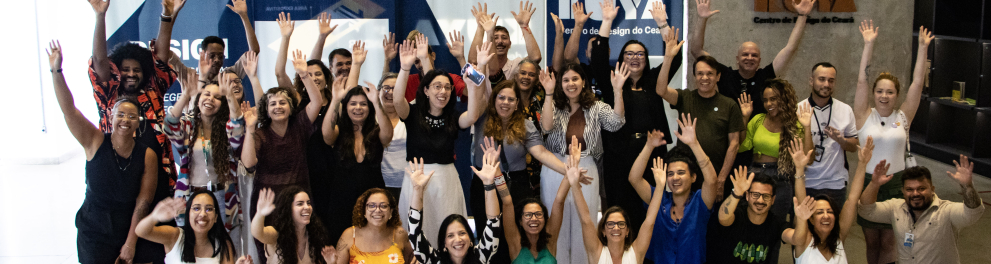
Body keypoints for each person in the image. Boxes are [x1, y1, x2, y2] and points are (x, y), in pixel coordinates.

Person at [49, 41, 161, 264]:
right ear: (111, 118)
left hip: (128, 227)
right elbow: (69, 110)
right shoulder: (94, 141)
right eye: (120, 115)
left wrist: (130, 243)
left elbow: (143, 203)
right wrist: (56, 71)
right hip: (94, 228)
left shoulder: (147, 154)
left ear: (138, 122)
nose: (125, 120)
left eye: (131, 116)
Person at [593, 1, 679, 236]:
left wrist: (662, 24)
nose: (634, 57)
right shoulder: (613, 83)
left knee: (652, 210)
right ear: (621, 58)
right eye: (629, 53)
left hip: (653, 155)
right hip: (619, 156)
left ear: (646, 58)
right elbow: (599, 59)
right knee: (619, 212)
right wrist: (607, 21)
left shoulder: (653, 81)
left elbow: (675, 57)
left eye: (640, 54)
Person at [393, 40, 488, 246]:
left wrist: (476, 77)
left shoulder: (453, 117)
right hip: (416, 178)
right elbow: (397, 100)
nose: (442, 91)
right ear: (426, 90)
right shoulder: (412, 111)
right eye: (437, 86)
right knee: (416, 237)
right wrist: (404, 67)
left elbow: (472, 115)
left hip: (446, 180)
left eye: (447, 87)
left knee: (449, 234)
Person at [853, 21, 933, 264]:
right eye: (880, 91)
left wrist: (922, 48)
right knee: (871, 241)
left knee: (889, 241)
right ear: (874, 93)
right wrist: (868, 45)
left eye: (889, 92)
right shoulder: (863, 116)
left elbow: (917, 83)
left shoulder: (903, 117)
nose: (884, 96)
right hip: (868, 183)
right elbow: (861, 81)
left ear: (896, 95)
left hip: (897, 183)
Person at [537, 62, 627, 264]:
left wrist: (618, 90)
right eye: (566, 80)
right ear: (560, 83)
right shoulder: (554, 104)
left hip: (586, 167)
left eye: (575, 79)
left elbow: (616, 123)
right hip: (554, 167)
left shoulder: (595, 106)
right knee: (554, 221)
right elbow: (546, 126)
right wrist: (549, 93)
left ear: (584, 81)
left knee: (583, 222)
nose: (571, 84)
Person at [88, 0, 175, 205]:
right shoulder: (110, 96)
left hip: (157, 178)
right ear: (117, 70)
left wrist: (167, 15)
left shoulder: (153, 92)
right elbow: (99, 61)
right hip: (118, 177)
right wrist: (100, 17)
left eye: (137, 70)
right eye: (126, 69)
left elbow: (161, 59)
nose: (131, 74)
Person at [242, 50, 325, 262]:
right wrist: (250, 129)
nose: (278, 107)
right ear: (266, 110)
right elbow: (249, 163)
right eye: (272, 104)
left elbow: (316, 102)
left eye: (282, 102)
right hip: (267, 204)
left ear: (290, 107)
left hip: (299, 201)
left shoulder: (300, 126)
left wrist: (304, 74)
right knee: (271, 256)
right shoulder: (259, 134)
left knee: (302, 251)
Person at [468, 79, 573, 247]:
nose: (505, 103)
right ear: (494, 99)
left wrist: (568, 171)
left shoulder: (526, 125)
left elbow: (541, 153)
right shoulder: (480, 119)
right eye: (501, 97)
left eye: (511, 99)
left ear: (517, 103)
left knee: (517, 237)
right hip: (484, 185)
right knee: (486, 234)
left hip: (516, 185)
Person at [657, 27, 745, 197]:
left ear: (718, 77)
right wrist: (668, 57)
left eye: (710, 74)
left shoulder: (729, 105)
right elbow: (661, 90)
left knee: (714, 222)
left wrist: (720, 180)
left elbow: (734, 145)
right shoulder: (685, 97)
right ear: (695, 77)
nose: (705, 78)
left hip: (716, 175)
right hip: (685, 176)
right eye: (700, 74)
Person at [690, 0, 813, 116]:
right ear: (737, 59)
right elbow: (697, 51)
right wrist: (702, 19)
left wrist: (802, 16)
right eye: (745, 54)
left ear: (759, 61)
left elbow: (790, 48)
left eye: (754, 55)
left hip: (759, 135)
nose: (750, 58)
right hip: (730, 136)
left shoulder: (765, 76)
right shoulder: (725, 75)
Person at [858, 155, 985, 264]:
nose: (915, 193)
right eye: (909, 189)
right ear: (903, 192)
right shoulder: (895, 208)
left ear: (932, 189)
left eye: (921, 188)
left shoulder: (946, 211)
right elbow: (866, 210)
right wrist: (874, 184)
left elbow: (973, 213)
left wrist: (967, 186)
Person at [627, 114, 717, 264]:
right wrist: (649, 147)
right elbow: (634, 179)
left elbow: (712, 181)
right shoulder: (659, 198)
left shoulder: (700, 202)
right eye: (670, 173)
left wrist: (694, 144)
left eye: (681, 173)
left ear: (693, 177)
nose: (675, 177)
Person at [164, 70, 245, 236]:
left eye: (217, 97)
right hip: (191, 196)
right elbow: (169, 125)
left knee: (227, 250)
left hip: (223, 197)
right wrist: (186, 94)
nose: (210, 99)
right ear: (198, 99)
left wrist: (229, 95)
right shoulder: (189, 125)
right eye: (206, 94)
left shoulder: (226, 127)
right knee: (192, 249)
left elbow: (238, 129)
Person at [319, 78, 394, 243]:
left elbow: (388, 135)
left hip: (374, 202)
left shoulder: (376, 131)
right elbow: (326, 135)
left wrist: (376, 101)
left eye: (363, 104)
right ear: (345, 108)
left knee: (374, 244)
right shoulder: (339, 131)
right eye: (353, 104)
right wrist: (336, 100)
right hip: (341, 202)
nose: (358, 108)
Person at [573, 135, 665, 264]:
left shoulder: (636, 252)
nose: (616, 228)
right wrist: (574, 184)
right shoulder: (596, 252)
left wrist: (660, 186)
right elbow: (586, 220)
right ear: (603, 231)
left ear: (627, 231)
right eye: (610, 224)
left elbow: (649, 221)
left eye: (621, 224)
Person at [783, 137, 874, 264]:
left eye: (830, 212)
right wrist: (799, 169)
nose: (826, 216)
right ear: (811, 218)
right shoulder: (803, 242)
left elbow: (852, 199)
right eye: (820, 212)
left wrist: (862, 164)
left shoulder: (839, 239)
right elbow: (801, 200)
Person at [736, 79, 814, 222]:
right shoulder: (758, 120)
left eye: (773, 99)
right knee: (748, 222)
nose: (769, 104)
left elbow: (808, 158)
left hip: (781, 178)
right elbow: (741, 147)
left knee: (775, 226)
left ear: (783, 99)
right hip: (755, 175)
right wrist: (745, 118)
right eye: (765, 100)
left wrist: (807, 127)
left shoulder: (795, 125)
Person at [485, 136, 572, 263]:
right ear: (520, 221)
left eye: (538, 214)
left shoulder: (550, 241)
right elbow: (507, 202)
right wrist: (496, 168)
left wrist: (569, 174)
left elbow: (559, 200)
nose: (534, 218)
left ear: (544, 218)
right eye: (528, 215)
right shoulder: (515, 243)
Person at [407, 155, 503, 264]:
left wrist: (489, 184)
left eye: (462, 233)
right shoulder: (434, 260)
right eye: (450, 235)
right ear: (444, 244)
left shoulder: (480, 257)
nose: (458, 239)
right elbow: (414, 233)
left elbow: (493, 222)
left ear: (471, 240)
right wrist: (417, 189)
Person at [799, 63, 859, 214]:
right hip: (806, 182)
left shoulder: (845, 110)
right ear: (811, 81)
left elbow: (853, 147)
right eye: (821, 79)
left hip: (835, 183)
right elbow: (804, 156)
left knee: (832, 229)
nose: (826, 84)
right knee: (804, 230)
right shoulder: (799, 109)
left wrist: (842, 140)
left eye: (831, 80)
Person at [159, 0, 260, 85]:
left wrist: (244, 16)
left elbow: (254, 51)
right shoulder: (189, 76)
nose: (216, 60)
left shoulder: (229, 76)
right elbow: (162, 52)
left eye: (220, 56)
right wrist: (171, 15)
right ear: (202, 55)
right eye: (212, 55)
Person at [136, 191, 250, 264]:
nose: (202, 214)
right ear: (188, 214)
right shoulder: (175, 236)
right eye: (196, 208)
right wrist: (154, 217)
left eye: (209, 209)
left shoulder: (223, 244)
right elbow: (141, 231)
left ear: (216, 217)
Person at [707, 165, 785, 264]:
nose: (760, 200)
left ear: (773, 199)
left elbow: (796, 239)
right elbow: (723, 218)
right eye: (755, 195)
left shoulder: (775, 222)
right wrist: (737, 193)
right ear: (747, 196)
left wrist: (801, 218)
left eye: (766, 196)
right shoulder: (739, 214)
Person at [328, 188, 414, 264]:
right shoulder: (349, 235)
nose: (377, 210)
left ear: (391, 212)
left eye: (383, 206)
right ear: (364, 211)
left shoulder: (400, 234)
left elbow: (414, 259)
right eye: (371, 206)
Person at [252, 187, 335, 264]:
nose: (307, 207)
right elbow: (257, 233)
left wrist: (332, 263)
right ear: (288, 209)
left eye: (308, 203)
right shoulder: (276, 234)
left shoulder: (315, 236)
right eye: (300, 204)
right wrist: (260, 214)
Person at [468, 1, 543, 83]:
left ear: (510, 44)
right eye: (495, 38)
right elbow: (472, 62)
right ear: (489, 43)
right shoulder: (483, 65)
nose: (500, 41)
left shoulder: (516, 65)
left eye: (504, 38)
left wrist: (524, 26)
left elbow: (535, 58)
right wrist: (480, 27)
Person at [397, 31, 469, 103]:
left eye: (424, 58)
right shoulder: (408, 81)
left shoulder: (450, 79)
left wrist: (461, 59)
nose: (422, 64)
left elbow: (469, 92)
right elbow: (397, 102)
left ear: (433, 56)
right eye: (417, 62)